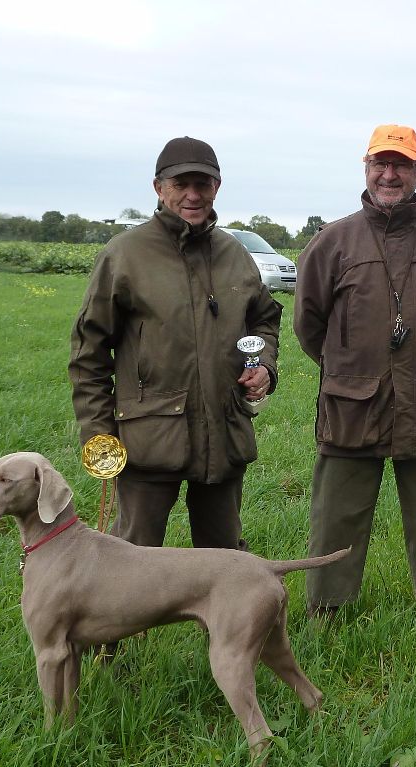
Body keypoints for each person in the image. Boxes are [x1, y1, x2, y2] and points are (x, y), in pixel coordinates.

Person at [293, 124, 416, 629]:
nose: (390, 174)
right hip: (352, 402)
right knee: (337, 513)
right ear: (366, 168)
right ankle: (327, 608)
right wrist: (350, 369)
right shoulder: (332, 241)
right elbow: (309, 323)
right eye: (381, 164)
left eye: (402, 164)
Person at [69, 136, 282, 550]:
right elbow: (88, 351)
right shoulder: (124, 255)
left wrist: (265, 366)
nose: (192, 194)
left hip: (224, 434)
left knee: (224, 569)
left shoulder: (235, 254)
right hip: (147, 442)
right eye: (180, 183)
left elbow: (264, 317)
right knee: (130, 567)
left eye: (203, 184)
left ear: (217, 187)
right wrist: (99, 435)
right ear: (158, 188)